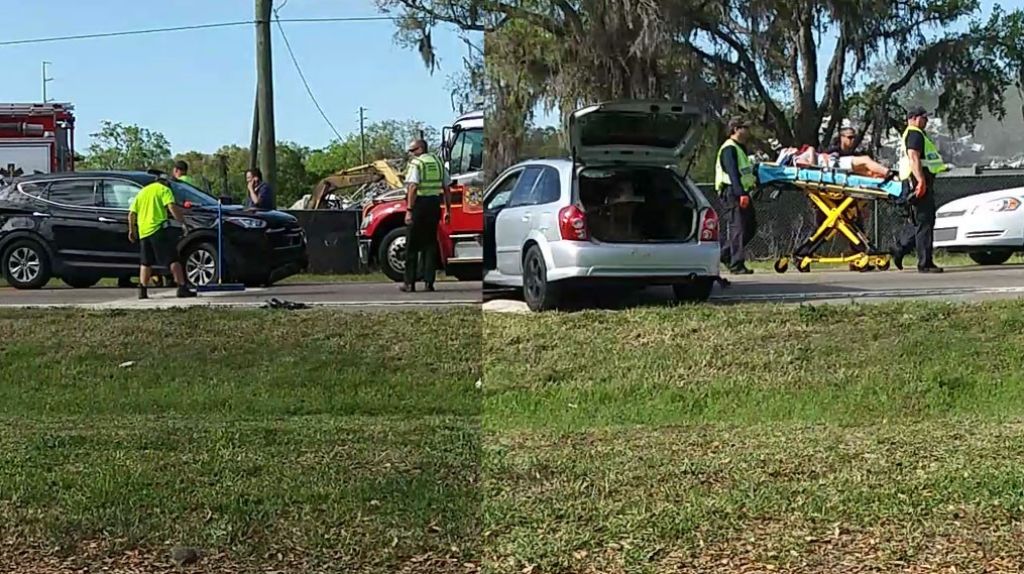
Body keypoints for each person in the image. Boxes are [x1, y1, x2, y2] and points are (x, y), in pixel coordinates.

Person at [892, 105, 948, 273]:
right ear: (914, 118)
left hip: (915, 180)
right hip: (918, 180)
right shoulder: (915, 134)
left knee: (921, 220)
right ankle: (925, 263)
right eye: (924, 117)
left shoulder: (912, 134)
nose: (927, 120)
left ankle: (900, 248)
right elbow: (914, 157)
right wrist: (921, 181)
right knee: (925, 221)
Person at [128, 172, 195, 299]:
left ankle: (142, 290)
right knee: (173, 259)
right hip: (158, 229)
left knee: (146, 262)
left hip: (143, 232)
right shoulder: (164, 190)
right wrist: (183, 223)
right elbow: (171, 207)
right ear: (166, 183)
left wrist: (132, 230)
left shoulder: (143, 192)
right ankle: (181, 287)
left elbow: (131, 213)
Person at [400, 138, 451, 292]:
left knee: (412, 245)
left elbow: (413, 187)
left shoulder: (417, 164)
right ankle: (429, 282)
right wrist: (448, 210)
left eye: (413, 150)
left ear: (421, 149)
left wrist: (409, 210)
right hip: (434, 205)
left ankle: (409, 283)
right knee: (430, 244)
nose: (411, 154)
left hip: (419, 206)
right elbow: (447, 187)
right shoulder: (438, 162)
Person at [715, 117, 758, 275]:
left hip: (743, 191)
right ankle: (736, 264)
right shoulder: (729, 148)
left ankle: (725, 254)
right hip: (732, 192)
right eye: (744, 128)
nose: (747, 131)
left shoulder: (741, 148)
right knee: (738, 228)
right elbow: (732, 173)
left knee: (750, 227)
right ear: (735, 129)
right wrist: (741, 194)